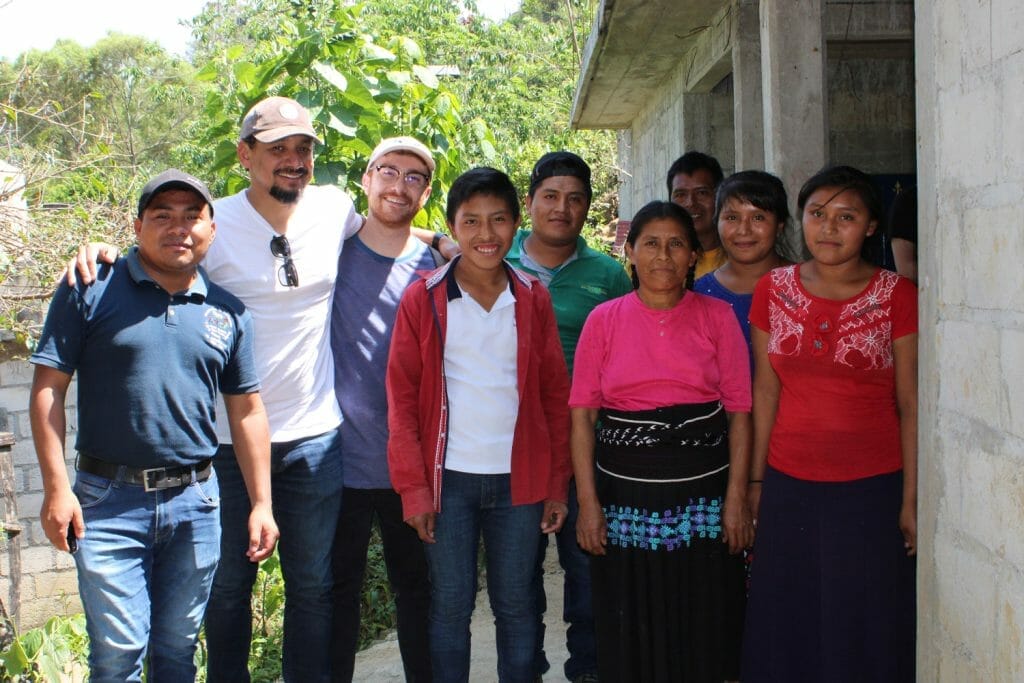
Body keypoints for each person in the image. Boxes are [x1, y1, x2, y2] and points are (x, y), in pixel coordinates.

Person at [29, 169, 278, 682]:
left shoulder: (227, 312)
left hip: (197, 505)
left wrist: (261, 504)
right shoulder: (90, 289)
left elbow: (248, 410)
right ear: (137, 225)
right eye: (162, 216)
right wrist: (56, 488)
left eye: (193, 217)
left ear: (212, 230)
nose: (178, 228)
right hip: (107, 502)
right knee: (119, 654)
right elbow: (49, 387)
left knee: (177, 650)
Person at [386, 167, 573, 682]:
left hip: (521, 483)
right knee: (449, 607)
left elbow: (555, 397)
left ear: (516, 225)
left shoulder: (532, 297)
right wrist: (414, 491)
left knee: (517, 605)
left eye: (498, 220)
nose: (485, 235)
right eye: (471, 222)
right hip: (450, 483)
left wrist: (556, 484)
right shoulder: (423, 298)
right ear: (451, 226)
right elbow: (401, 402)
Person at [741, 166, 917, 682]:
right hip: (789, 481)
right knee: (788, 616)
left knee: (863, 617)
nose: (828, 228)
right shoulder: (772, 289)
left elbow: (910, 402)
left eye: (846, 217)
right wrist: (756, 482)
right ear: (801, 220)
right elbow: (765, 392)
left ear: (870, 227)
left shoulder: (898, 295)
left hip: (872, 487)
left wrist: (910, 499)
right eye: (817, 214)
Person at [571, 200, 753, 682]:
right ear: (629, 252)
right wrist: (588, 505)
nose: (663, 256)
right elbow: (583, 419)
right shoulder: (603, 321)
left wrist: (737, 499)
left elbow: (739, 415)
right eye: (650, 243)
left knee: (704, 616)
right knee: (630, 616)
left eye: (676, 244)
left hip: (704, 497)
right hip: (624, 497)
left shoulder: (718, 318)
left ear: (694, 256)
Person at [505, 150, 631, 683]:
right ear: (530, 201)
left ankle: (589, 671)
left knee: (587, 572)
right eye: (551, 196)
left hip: (588, 445)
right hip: (511, 447)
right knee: (518, 581)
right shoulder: (492, 257)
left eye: (575, 199)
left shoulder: (607, 274)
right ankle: (525, 670)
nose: (562, 208)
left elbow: (628, 353)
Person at [329, 136, 438, 682]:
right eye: (388, 171)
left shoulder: (439, 266)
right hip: (336, 461)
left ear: (426, 192)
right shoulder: (329, 249)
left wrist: (440, 240)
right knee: (336, 596)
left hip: (410, 467)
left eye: (414, 177)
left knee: (418, 593)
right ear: (366, 179)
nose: (399, 185)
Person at [695, 170, 793, 363]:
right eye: (732, 218)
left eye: (758, 218)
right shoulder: (699, 295)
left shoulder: (807, 287)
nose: (744, 230)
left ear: (779, 225)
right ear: (717, 223)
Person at [667, 151, 726, 278]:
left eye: (702, 193)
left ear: (720, 197)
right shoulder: (649, 262)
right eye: (681, 195)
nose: (691, 203)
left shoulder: (742, 260)